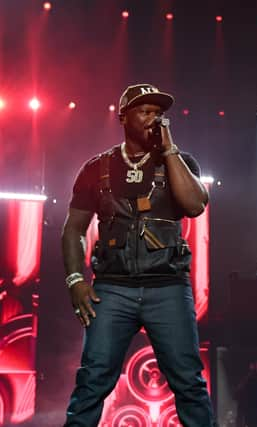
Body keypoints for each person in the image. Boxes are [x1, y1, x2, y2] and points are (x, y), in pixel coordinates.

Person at [61, 84, 216, 426]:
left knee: (188, 381)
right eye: (145, 112)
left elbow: (194, 206)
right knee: (92, 380)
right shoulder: (96, 168)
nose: (154, 119)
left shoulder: (181, 162)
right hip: (112, 289)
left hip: (168, 288)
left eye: (159, 113)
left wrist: (170, 150)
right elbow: (72, 229)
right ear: (123, 117)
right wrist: (75, 280)